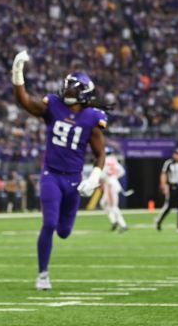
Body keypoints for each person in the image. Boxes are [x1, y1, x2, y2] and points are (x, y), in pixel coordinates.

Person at [11, 51, 108, 291]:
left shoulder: (92, 118)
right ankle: (43, 274)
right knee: (49, 223)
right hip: (51, 175)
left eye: (73, 89)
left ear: (83, 93)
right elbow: (24, 100)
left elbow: (100, 154)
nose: (67, 91)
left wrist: (94, 177)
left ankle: (45, 268)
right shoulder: (53, 107)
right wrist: (17, 71)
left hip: (74, 179)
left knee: (64, 231)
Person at [156, 147, 178, 232]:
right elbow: (163, 174)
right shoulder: (169, 163)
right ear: (173, 154)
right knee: (169, 206)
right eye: (177, 154)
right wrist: (163, 185)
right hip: (172, 186)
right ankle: (158, 221)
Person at [103, 147, 128, 232]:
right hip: (113, 183)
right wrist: (115, 177)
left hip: (110, 185)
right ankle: (114, 221)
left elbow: (102, 174)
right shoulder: (114, 160)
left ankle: (123, 224)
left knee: (113, 206)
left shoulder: (104, 161)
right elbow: (122, 171)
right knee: (103, 203)